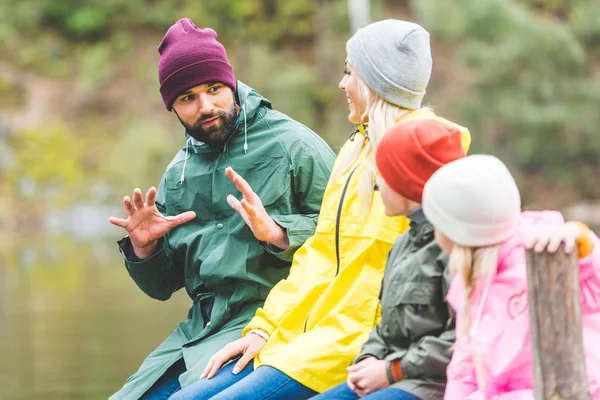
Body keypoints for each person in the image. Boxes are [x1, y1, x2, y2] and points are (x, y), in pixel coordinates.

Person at [170, 19, 471, 400]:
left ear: (376, 81)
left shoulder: (426, 153)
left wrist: (387, 362)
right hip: (311, 338)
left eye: (350, 73)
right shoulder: (353, 150)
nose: (342, 84)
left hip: (357, 346)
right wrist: (266, 328)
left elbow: (439, 268)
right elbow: (320, 254)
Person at [107, 18, 336, 400]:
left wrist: (279, 234)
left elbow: (345, 240)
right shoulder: (177, 173)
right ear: (173, 108)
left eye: (214, 89)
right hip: (201, 330)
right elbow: (163, 286)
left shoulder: (296, 146)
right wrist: (144, 249)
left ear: (230, 83)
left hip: (276, 321)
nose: (206, 106)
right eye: (188, 98)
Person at [420, 155, 600, 399]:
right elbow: (466, 363)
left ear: (456, 232)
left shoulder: (545, 252)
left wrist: (586, 247)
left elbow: (594, 289)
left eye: (437, 224)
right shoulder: (471, 280)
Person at [312, 119, 463, 400]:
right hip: (393, 373)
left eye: (386, 174)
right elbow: (387, 326)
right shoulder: (404, 242)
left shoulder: (455, 249)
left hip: (430, 386)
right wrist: (368, 359)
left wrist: (392, 370)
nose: (378, 184)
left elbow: (463, 339)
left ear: (410, 183)